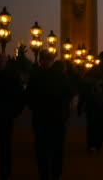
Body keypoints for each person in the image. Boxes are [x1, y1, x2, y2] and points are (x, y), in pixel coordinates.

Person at [26, 51, 72, 180]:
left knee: (51, 148)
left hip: (51, 117)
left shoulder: (37, 76)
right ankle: (48, 173)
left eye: (47, 59)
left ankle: (52, 173)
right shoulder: (59, 76)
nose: (45, 62)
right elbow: (29, 96)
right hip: (49, 117)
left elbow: (68, 94)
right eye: (44, 59)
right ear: (41, 60)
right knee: (47, 149)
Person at [78, 51, 103, 152]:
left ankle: (97, 144)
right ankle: (100, 143)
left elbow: (85, 83)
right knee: (101, 123)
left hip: (99, 101)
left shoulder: (94, 69)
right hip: (102, 100)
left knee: (97, 124)